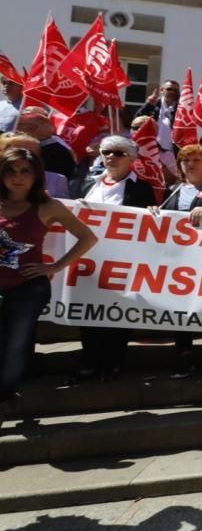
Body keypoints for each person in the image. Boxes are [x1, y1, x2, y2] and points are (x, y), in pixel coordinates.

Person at [0, 147, 98, 415]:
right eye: (10, 170)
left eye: (24, 171)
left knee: (16, 344)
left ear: (35, 176)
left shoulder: (48, 206)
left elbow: (88, 238)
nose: (17, 177)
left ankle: (5, 394)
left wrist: (55, 265)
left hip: (27, 288)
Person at [74, 136, 156, 384]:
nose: (111, 157)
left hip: (123, 262)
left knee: (117, 314)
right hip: (89, 261)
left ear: (131, 158)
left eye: (118, 153)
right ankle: (89, 361)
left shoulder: (141, 188)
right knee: (87, 314)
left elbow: (150, 219)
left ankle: (113, 362)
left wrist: (153, 214)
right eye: (107, 152)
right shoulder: (88, 183)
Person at [150, 143, 202, 378]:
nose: (190, 164)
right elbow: (166, 215)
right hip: (179, 259)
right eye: (186, 161)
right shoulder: (173, 189)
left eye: (196, 160)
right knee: (179, 306)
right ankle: (184, 352)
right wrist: (155, 211)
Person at [0, 132, 70, 198]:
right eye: (18, 152)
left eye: (32, 152)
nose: (25, 155)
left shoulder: (55, 180)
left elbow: (66, 206)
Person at [15, 107, 77, 180]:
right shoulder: (49, 148)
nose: (15, 129)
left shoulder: (53, 153)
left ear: (32, 128)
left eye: (20, 125)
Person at [134, 80, 181, 178]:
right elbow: (136, 122)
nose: (172, 92)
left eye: (176, 90)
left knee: (170, 181)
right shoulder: (154, 105)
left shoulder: (181, 109)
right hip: (150, 152)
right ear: (162, 90)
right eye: (169, 89)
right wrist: (148, 105)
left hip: (172, 154)